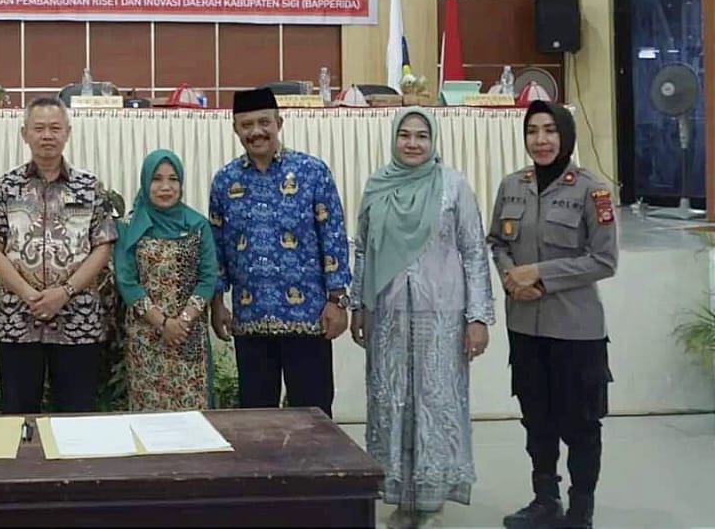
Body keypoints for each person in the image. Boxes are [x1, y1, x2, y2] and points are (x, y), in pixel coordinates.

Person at [351, 109, 495, 529]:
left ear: (433, 141)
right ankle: (401, 499)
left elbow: (474, 251)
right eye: (405, 135)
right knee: (392, 402)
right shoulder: (377, 186)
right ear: (393, 139)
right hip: (388, 313)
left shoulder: (453, 186)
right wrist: (359, 304)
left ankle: (430, 502)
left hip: (442, 315)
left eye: (421, 136)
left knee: (435, 403)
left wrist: (478, 316)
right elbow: (363, 249)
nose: (413, 143)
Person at [489, 101, 617, 529]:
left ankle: (580, 510)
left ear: (566, 135)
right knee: (537, 420)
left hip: (575, 329)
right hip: (524, 326)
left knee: (581, 424)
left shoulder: (592, 190)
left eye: (549, 130)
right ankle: (545, 499)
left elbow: (604, 260)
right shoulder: (512, 185)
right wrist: (511, 277)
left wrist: (540, 276)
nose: (540, 140)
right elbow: (497, 242)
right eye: (532, 131)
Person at [208, 86, 351, 416]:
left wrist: (337, 301)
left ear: (279, 123)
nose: (256, 132)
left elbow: (333, 236)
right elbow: (217, 247)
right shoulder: (225, 182)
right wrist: (217, 304)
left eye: (264, 122)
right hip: (251, 322)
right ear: (235, 129)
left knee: (313, 418)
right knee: (257, 422)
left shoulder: (311, 172)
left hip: (309, 319)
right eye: (247, 125)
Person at [0, 97, 117, 413]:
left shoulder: (89, 187)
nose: (47, 136)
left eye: (55, 128)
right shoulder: (6, 187)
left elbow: (103, 247)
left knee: (76, 416)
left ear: (68, 132)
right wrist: (29, 295)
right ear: (24, 133)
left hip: (78, 320)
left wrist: (64, 293)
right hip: (18, 321)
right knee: (18, 414)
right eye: (39, 128)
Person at [114, 149, 219, 411]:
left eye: (173, 179)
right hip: (146, 338)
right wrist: (162, 323)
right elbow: (126, 281)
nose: (165, 187)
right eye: (157, 179)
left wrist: (182, 322)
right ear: (145, 181)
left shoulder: (197, 225)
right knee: (150, 418)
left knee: (193, 416)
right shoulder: (128, 226)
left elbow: (208, 278)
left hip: (188, 336)